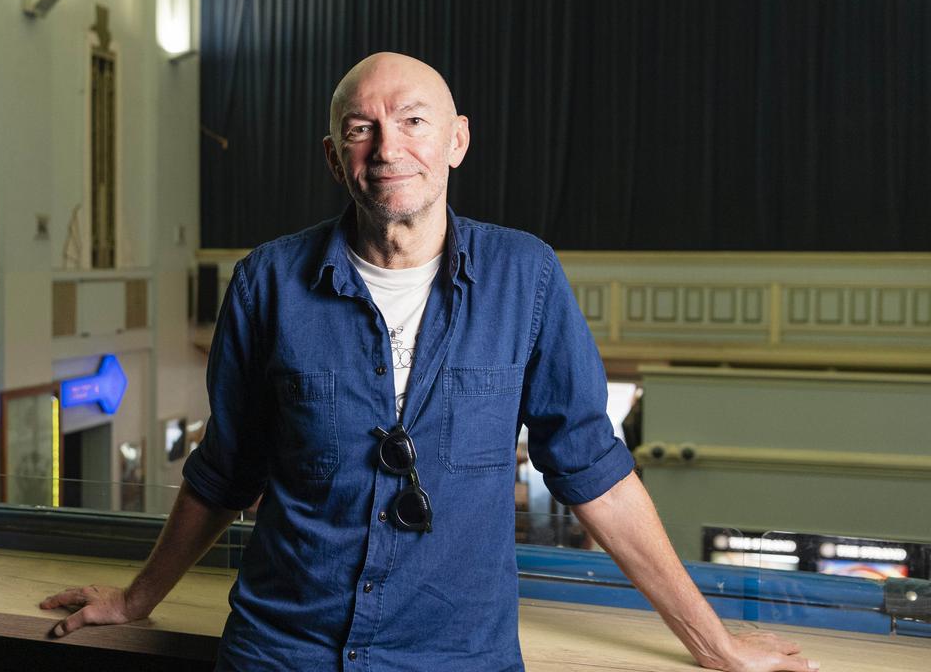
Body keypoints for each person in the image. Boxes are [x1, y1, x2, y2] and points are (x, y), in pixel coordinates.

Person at [41, 52, 819, 672]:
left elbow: (594, 472)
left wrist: (712, 644)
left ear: (457, 141)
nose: (388, 148)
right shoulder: (267, 282)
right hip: (282, 652)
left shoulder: (528, 278)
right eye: (360, 128)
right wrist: (138, 599)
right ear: (332, 155)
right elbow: (225, 469)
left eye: (414, 121)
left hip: (457, 659)